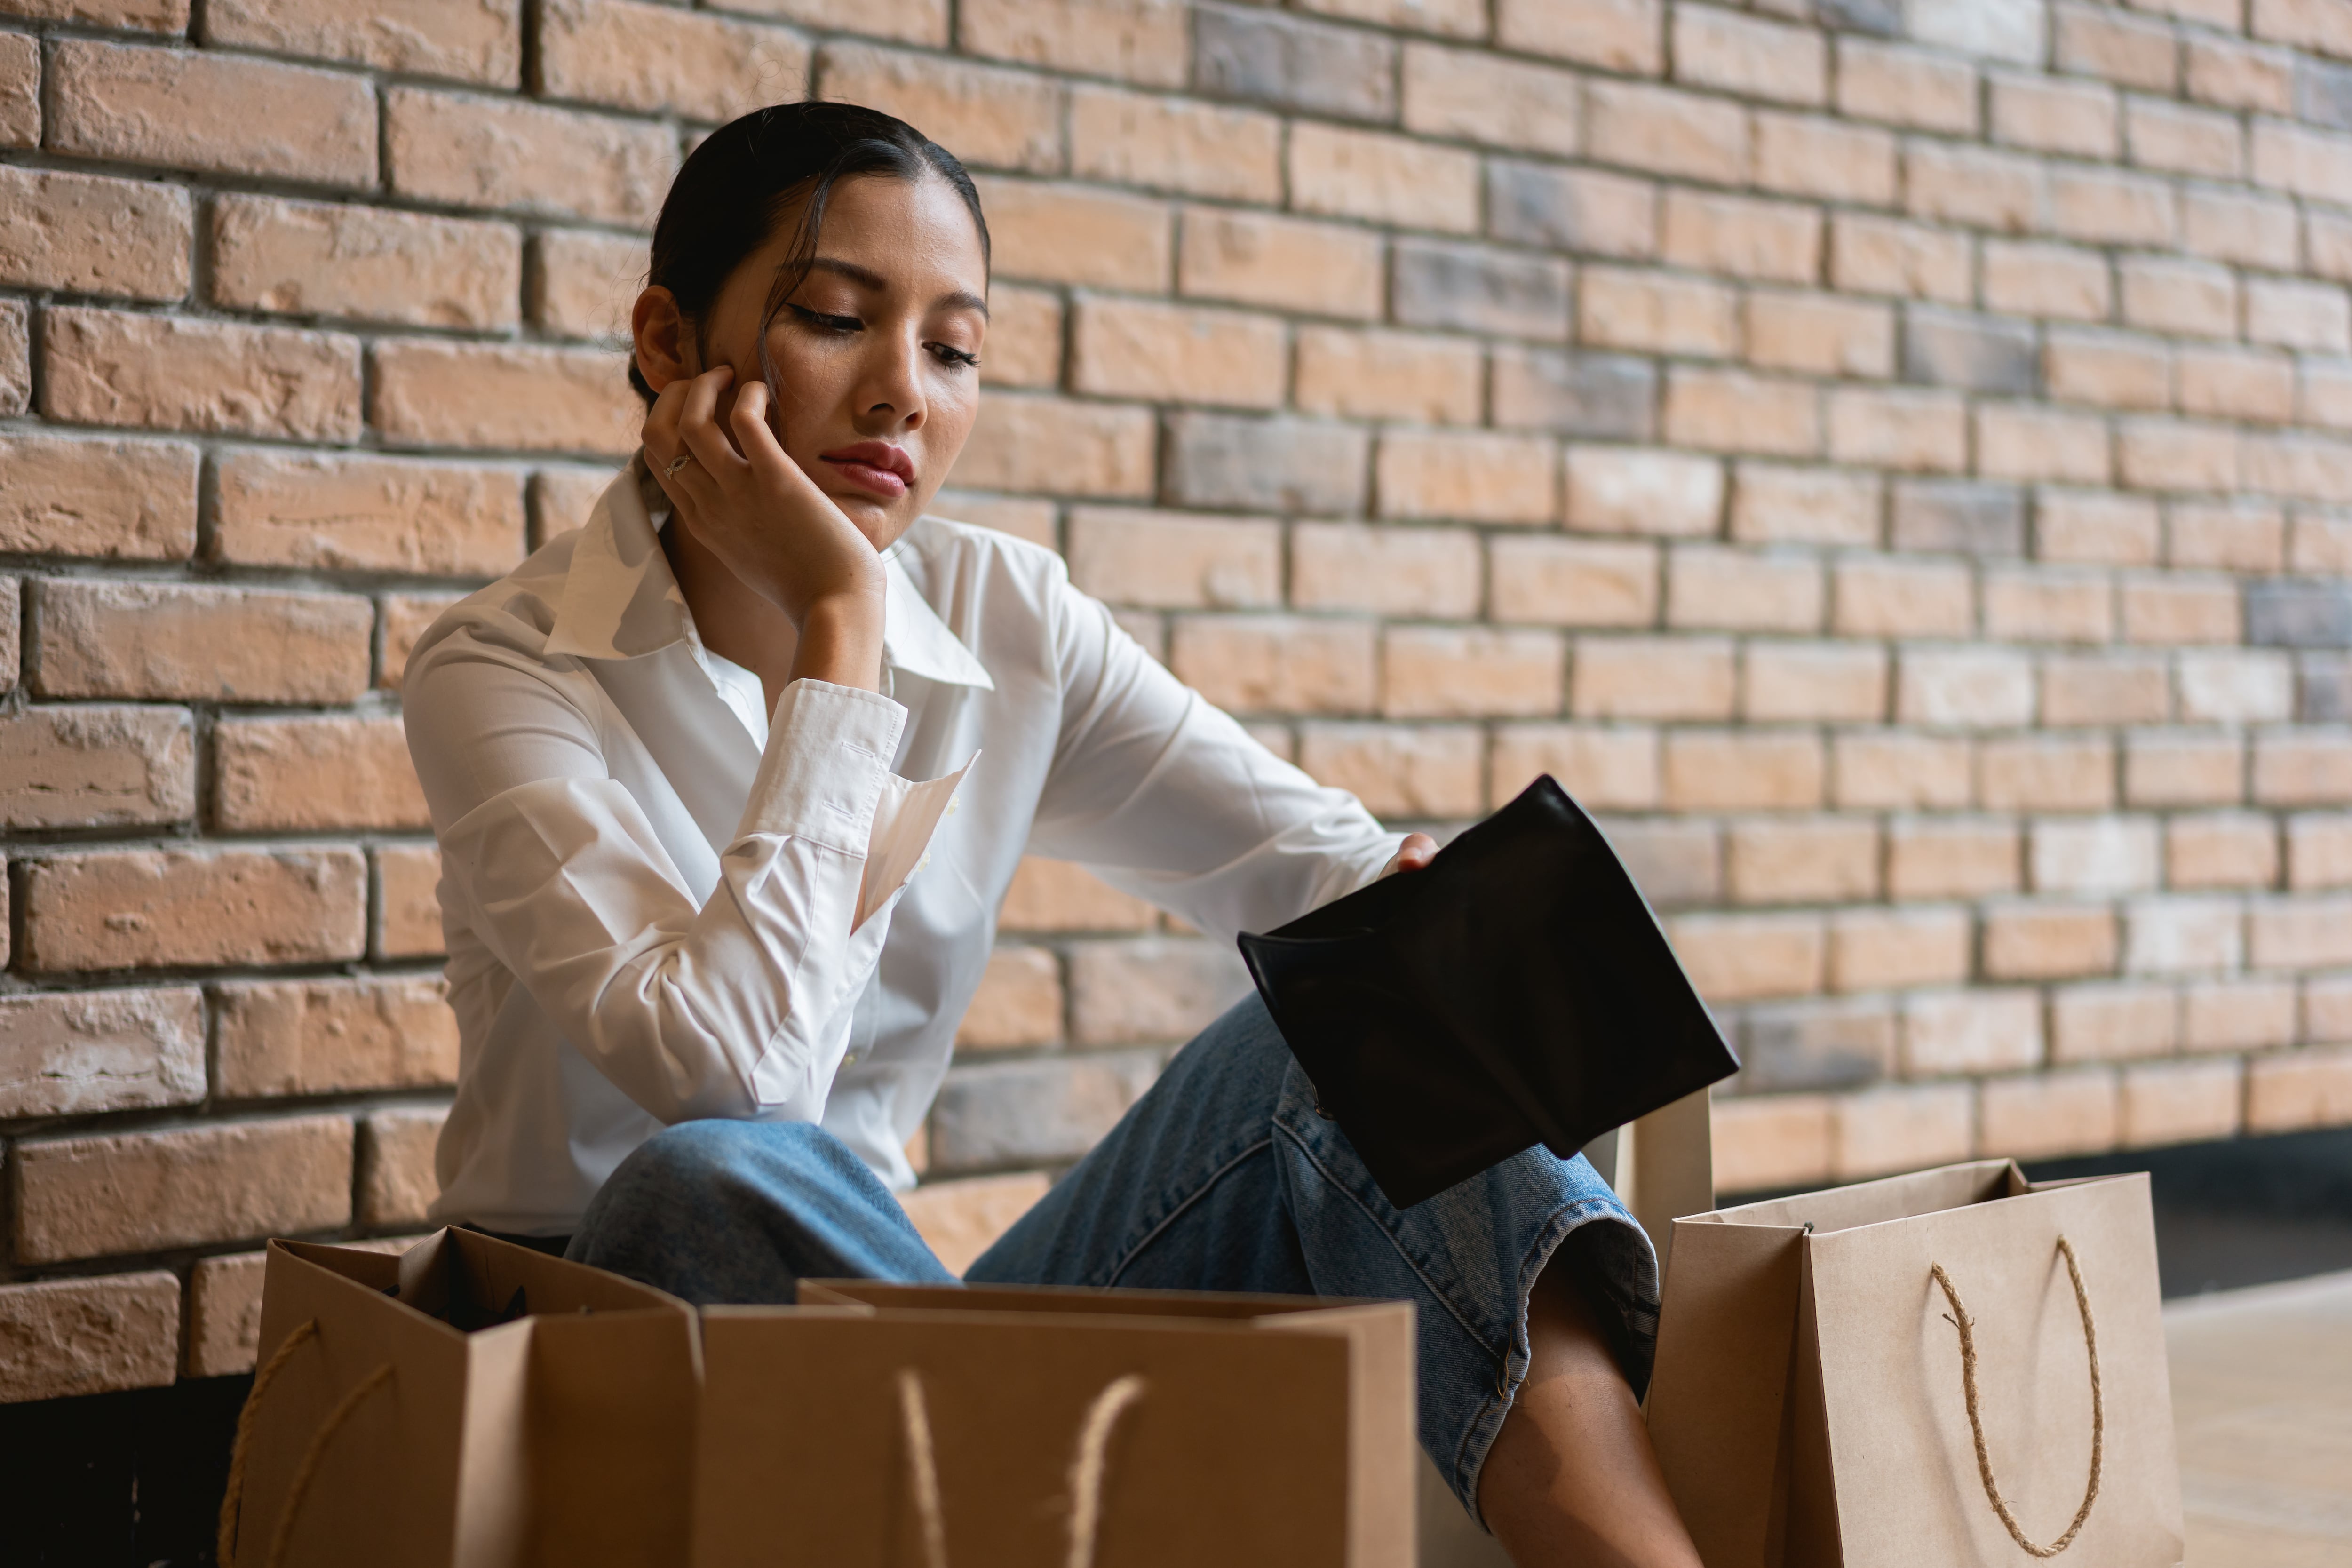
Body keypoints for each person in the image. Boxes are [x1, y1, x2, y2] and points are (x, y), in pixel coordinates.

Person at [402, 101, 1702, 1566]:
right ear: (667, 342)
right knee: (704, 1173)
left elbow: (1326, 872)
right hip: (607, 1345)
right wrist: (841, 626)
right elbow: (734, 1082)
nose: (903, 395)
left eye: (953, 350)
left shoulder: (1003, 618)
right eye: (836, 319)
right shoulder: (504, 670)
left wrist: (1441, 937)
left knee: (1361, 1021)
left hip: (906, 1367)